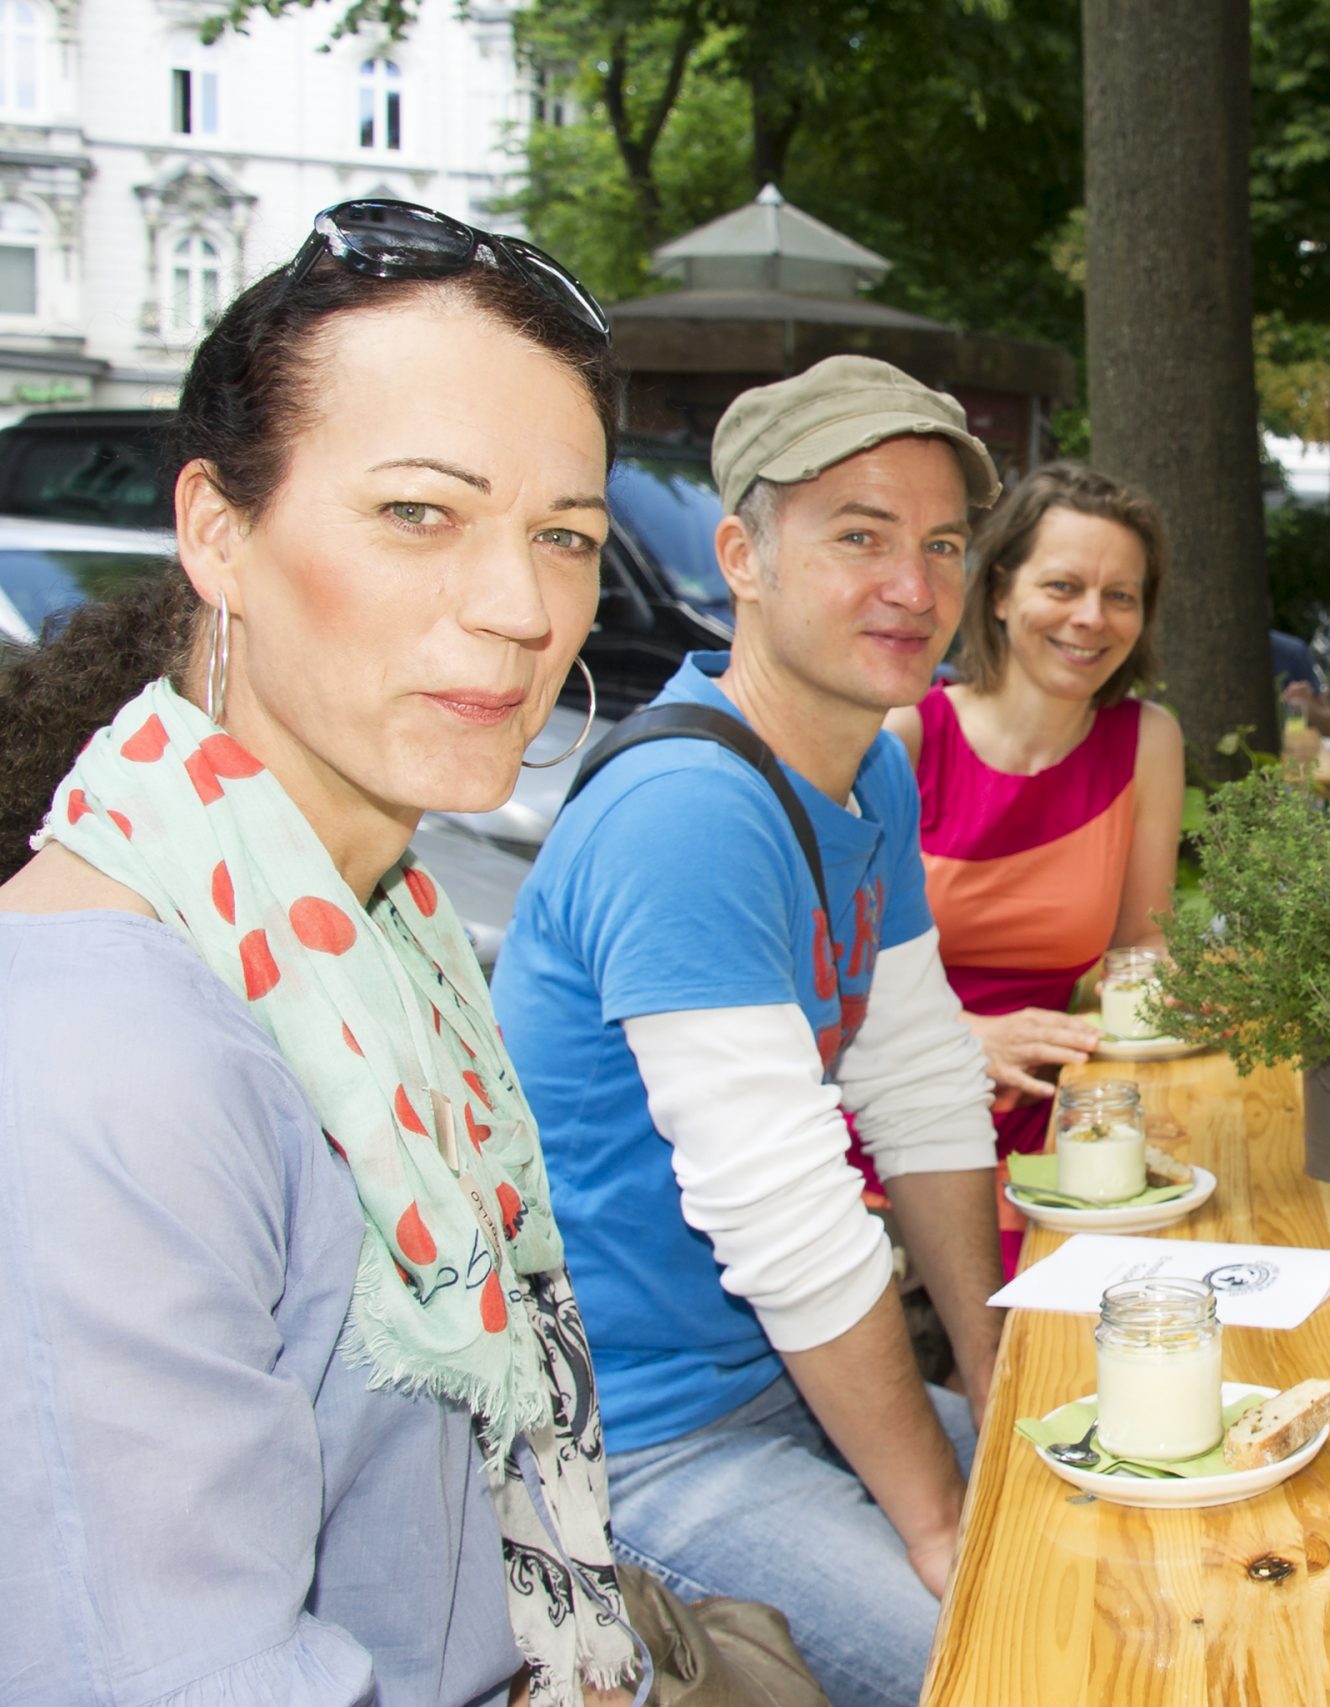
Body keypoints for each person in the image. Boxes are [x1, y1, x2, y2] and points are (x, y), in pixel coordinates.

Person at [0, 201, 642, 1703]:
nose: (523, 606)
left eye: (567, 536)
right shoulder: (100, 1058)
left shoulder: (380, 944)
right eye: (420, 513)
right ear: (219, 532)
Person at [492, 355, 1004, 1707]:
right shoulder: (690, 810)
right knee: (1018, 1653)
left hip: (791, 1380)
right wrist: (944, 1515)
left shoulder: (867, 763)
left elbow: (926, 1090)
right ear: (743, 557)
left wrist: (997, 1379)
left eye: (943, 542)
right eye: (859, 535)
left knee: (1118, 1525)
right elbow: (784, 1216)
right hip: (637, 1440)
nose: (914, 582)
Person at [873, 463, 1183, 1266]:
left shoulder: (1148, 741)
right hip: (892, 1098)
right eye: (1064, 585)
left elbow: (1141, 946)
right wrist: (961, 1038)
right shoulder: (906, 737)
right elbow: (831, 971)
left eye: (1122, 595)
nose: (1092, 617)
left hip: (1056, 1105)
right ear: (1002, 590)